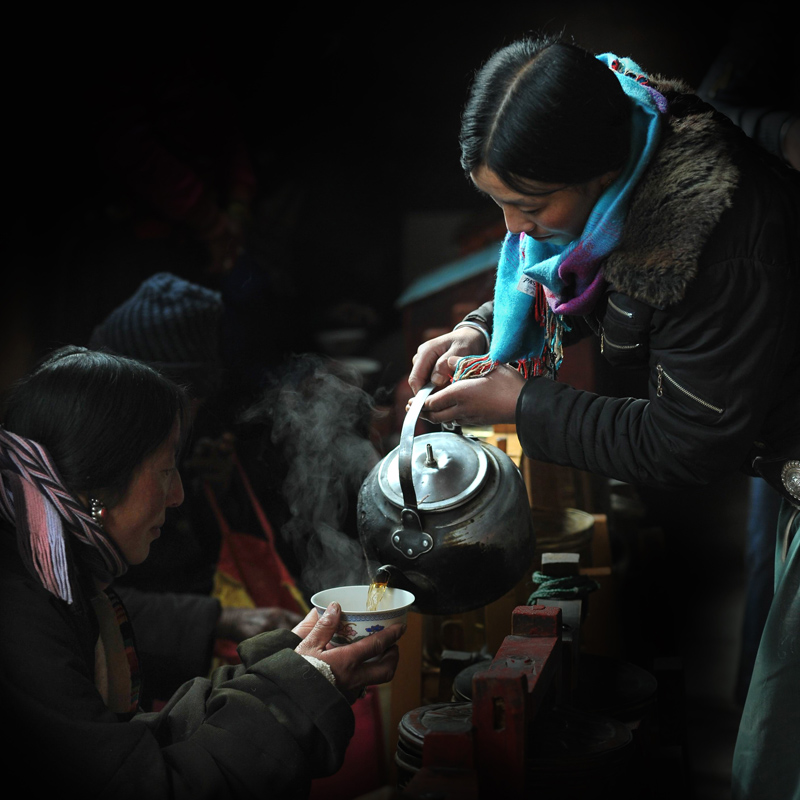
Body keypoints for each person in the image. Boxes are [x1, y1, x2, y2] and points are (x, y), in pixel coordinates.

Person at [407, 36, 800, 799]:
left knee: (779, 767)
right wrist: (485, 330)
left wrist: (524, 404)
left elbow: (684, 444)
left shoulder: (722, 239)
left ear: (600, 173)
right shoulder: (636, 151)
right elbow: (583, 274)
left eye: (530, 206)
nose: (517, 235)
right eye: (500, 206)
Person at [0, 346, 404, 797]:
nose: (176, 496)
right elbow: (152, 784)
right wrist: (305, 687)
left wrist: (294, 658)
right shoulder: (20, 617)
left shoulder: (62, 580)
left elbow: (148, 738)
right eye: (165, 470)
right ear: (101, 482)